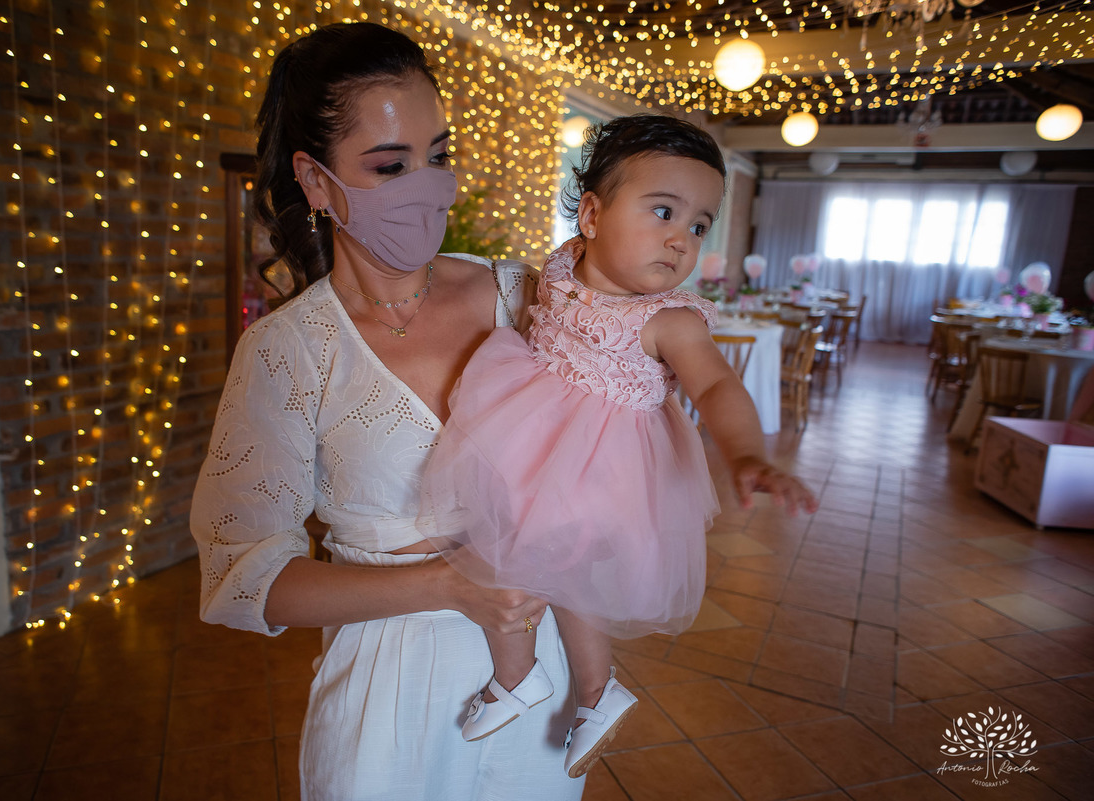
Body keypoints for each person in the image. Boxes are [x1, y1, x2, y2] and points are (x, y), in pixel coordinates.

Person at [189, 22, 584, 801]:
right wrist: (451, 582)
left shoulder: (528, 296)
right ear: (317, 180)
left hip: (539, 671)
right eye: (390, 165)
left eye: (437, 156)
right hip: (388, 692)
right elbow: (243, 578)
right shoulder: (289, 351)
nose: (428, 184)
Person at [418, 114, 819, 778]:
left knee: (545, 569)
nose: (680, 240)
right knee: (503, 550)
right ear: (593, 215)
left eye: (697, 224)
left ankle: (574, 690)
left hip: (604, 464)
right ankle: (555, 686)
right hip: (535, 432)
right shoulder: (560, 266)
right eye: (663, 210)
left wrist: (746, 453)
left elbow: (718, 385)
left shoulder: (669, 320)